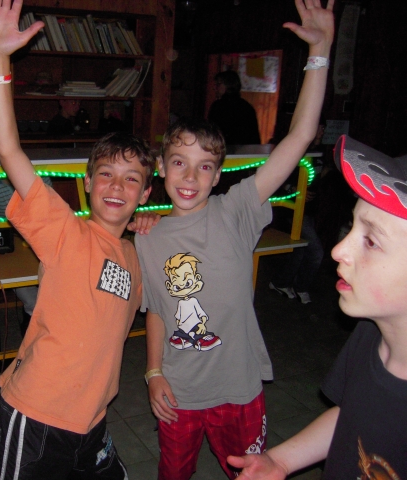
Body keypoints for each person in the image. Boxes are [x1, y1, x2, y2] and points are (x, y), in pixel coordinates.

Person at [135, 1, 333, 478]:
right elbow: (157, 309)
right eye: (179, 163)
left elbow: (299, 137)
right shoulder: (148, 235)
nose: (190, 177)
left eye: (204, 166)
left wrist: (320, 52)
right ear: (160, 168)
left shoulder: (237, 209)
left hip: (239, 390)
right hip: (178, 392)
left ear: (219, 174)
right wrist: (153, 372)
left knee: (250, 473)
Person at [0, 1, 155, 478]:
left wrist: (155, 225)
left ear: (145, 193)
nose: (117, 187)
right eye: (106, 174)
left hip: (92, 419)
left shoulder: (136, 254)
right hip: (36, 413)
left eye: (132, 179)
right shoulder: (64, 230)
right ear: (87, 183)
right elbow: (8, 149)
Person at [228, 136, 407, 478]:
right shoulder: (370, 335)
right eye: (352, 226)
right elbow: (352, 416)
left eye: (371, 241)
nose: (339, 250)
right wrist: (281, 461)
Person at [0, 175, 52, 336]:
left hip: (42, 238)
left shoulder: (40, 176)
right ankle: (36, 326)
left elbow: (48, 209)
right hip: (10, 248)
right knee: (29, 296)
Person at [268, 116, 327, 304]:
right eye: (318, 127)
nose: (321, 131)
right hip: (293, 209)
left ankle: (282, 282)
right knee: (316, 252)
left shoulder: (321, 151)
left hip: (309, 210)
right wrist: (293, 188)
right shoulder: (296, 150)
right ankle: (299, 285)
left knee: (300, 249)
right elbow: (277, 175)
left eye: (323, 128)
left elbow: (321, 173)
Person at [208, 70, 261, 145]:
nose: (215, 88)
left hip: (225, 148)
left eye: (218, 84)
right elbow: (254, 137)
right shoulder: (247, 106)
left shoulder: (218, 106)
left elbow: (212, 132)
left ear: (229, 85)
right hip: (245, 149)